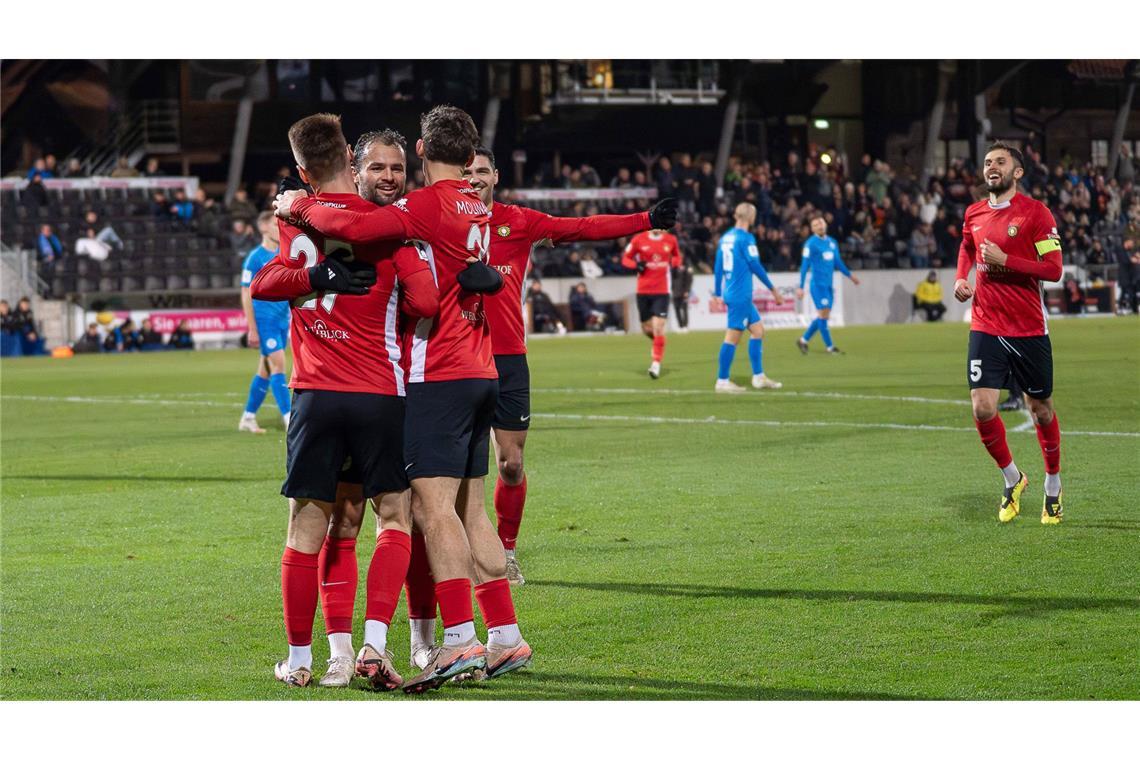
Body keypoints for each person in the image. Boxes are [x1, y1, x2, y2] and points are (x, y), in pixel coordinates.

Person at [276, 106, 531, 693]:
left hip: (424, 380)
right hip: (458, 374)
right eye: (378, 168)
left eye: (397, 166)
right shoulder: (452, 210)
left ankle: (450, 642)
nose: (390, 177)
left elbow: (382, 260)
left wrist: (296, 205)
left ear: (417, 156)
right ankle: (501, 635)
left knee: (424, 511)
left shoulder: (408, 216)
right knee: (452, 510)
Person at [253, 119, 438, 690]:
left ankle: (303, 660)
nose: (387, 176)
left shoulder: (295, 219)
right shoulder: (389, 227)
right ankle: (374, 646)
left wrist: (311, 271)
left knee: (309, 528)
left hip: (314, 396)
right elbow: (427, 299)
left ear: (305, 172)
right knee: (393, 517)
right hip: (380, 393)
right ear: (352, 165)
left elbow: (265, 283)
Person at [463, 146, 670, 587]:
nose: (475, 177)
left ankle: (507, 549)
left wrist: (645, 221)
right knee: (460, 467)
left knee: (511, 465)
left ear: (496, 175)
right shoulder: (444, 220)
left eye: (482, 170)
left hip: (508, 357)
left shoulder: (516, 221)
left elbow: (582, 227)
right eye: (468, 171)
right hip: (458, 356)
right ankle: (463, 552)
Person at [954, 141, 1065, 526]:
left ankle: (1053, 485)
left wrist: (1007, 262)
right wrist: (960, 278)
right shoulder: (974, 212)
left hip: (1028, 327)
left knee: (1041, 410)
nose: (991, 167)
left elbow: (1053, 270)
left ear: (1017, 172)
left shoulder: (1036, 213)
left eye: (1000, 162)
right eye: (987, 162)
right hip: (985, 323)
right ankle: (1012, 478)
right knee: (982, 407)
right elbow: (967, 247)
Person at [711, 203, 786, 392]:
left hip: (732, 291)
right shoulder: (746, 238)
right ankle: (722, 381)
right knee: (732, 337)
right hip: (740, 294)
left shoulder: (726, 237)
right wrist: (773, 289)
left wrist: (718, 293)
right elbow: (756, 266)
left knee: (758, 330)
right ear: (751, 217)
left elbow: (718, 266)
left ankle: (759, 377)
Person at [239, 211, 292, 434]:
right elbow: (245, 293)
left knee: (266, 370)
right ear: (263, 228)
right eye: (274, 223)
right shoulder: (255, 258)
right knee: (279, 365)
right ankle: (290, 418)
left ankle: (248, 418)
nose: (279, 226)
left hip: (282, 319)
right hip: (264, 320)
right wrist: (252, 327)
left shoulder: (285, 253)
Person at [622, 227, 682, 379]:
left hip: (662, 290)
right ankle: (658, 343)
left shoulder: (671, 240)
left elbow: (677, 256)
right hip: (643, 290)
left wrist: (674, 264)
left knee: (658, 326)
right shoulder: (638, 239)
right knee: (647, 328)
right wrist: (636, 266)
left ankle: (655, 364)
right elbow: (625, 259)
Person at [795, 214, 860, 354]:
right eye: (816, 224)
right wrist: (800, 286)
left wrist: (850, 275)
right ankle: (830, 347)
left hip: (829, 286)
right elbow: (804, 266)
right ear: (812, 229)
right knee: (823, 314)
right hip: (818, 285)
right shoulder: (810, 244)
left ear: (826, 225)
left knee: (823, 316)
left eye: (822, 223)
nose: (820, 226)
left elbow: (837, 262)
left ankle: (803, 340)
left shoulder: (832, 242)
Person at [672, 256, 694, 332]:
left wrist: (687, 291)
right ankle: (680, 326)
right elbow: (671, 279)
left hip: (683, 292)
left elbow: (689, 279)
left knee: (684, 309)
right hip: (675, 292)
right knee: (676, 309)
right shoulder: (673, 267)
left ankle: (685, 326)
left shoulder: (687, 266)